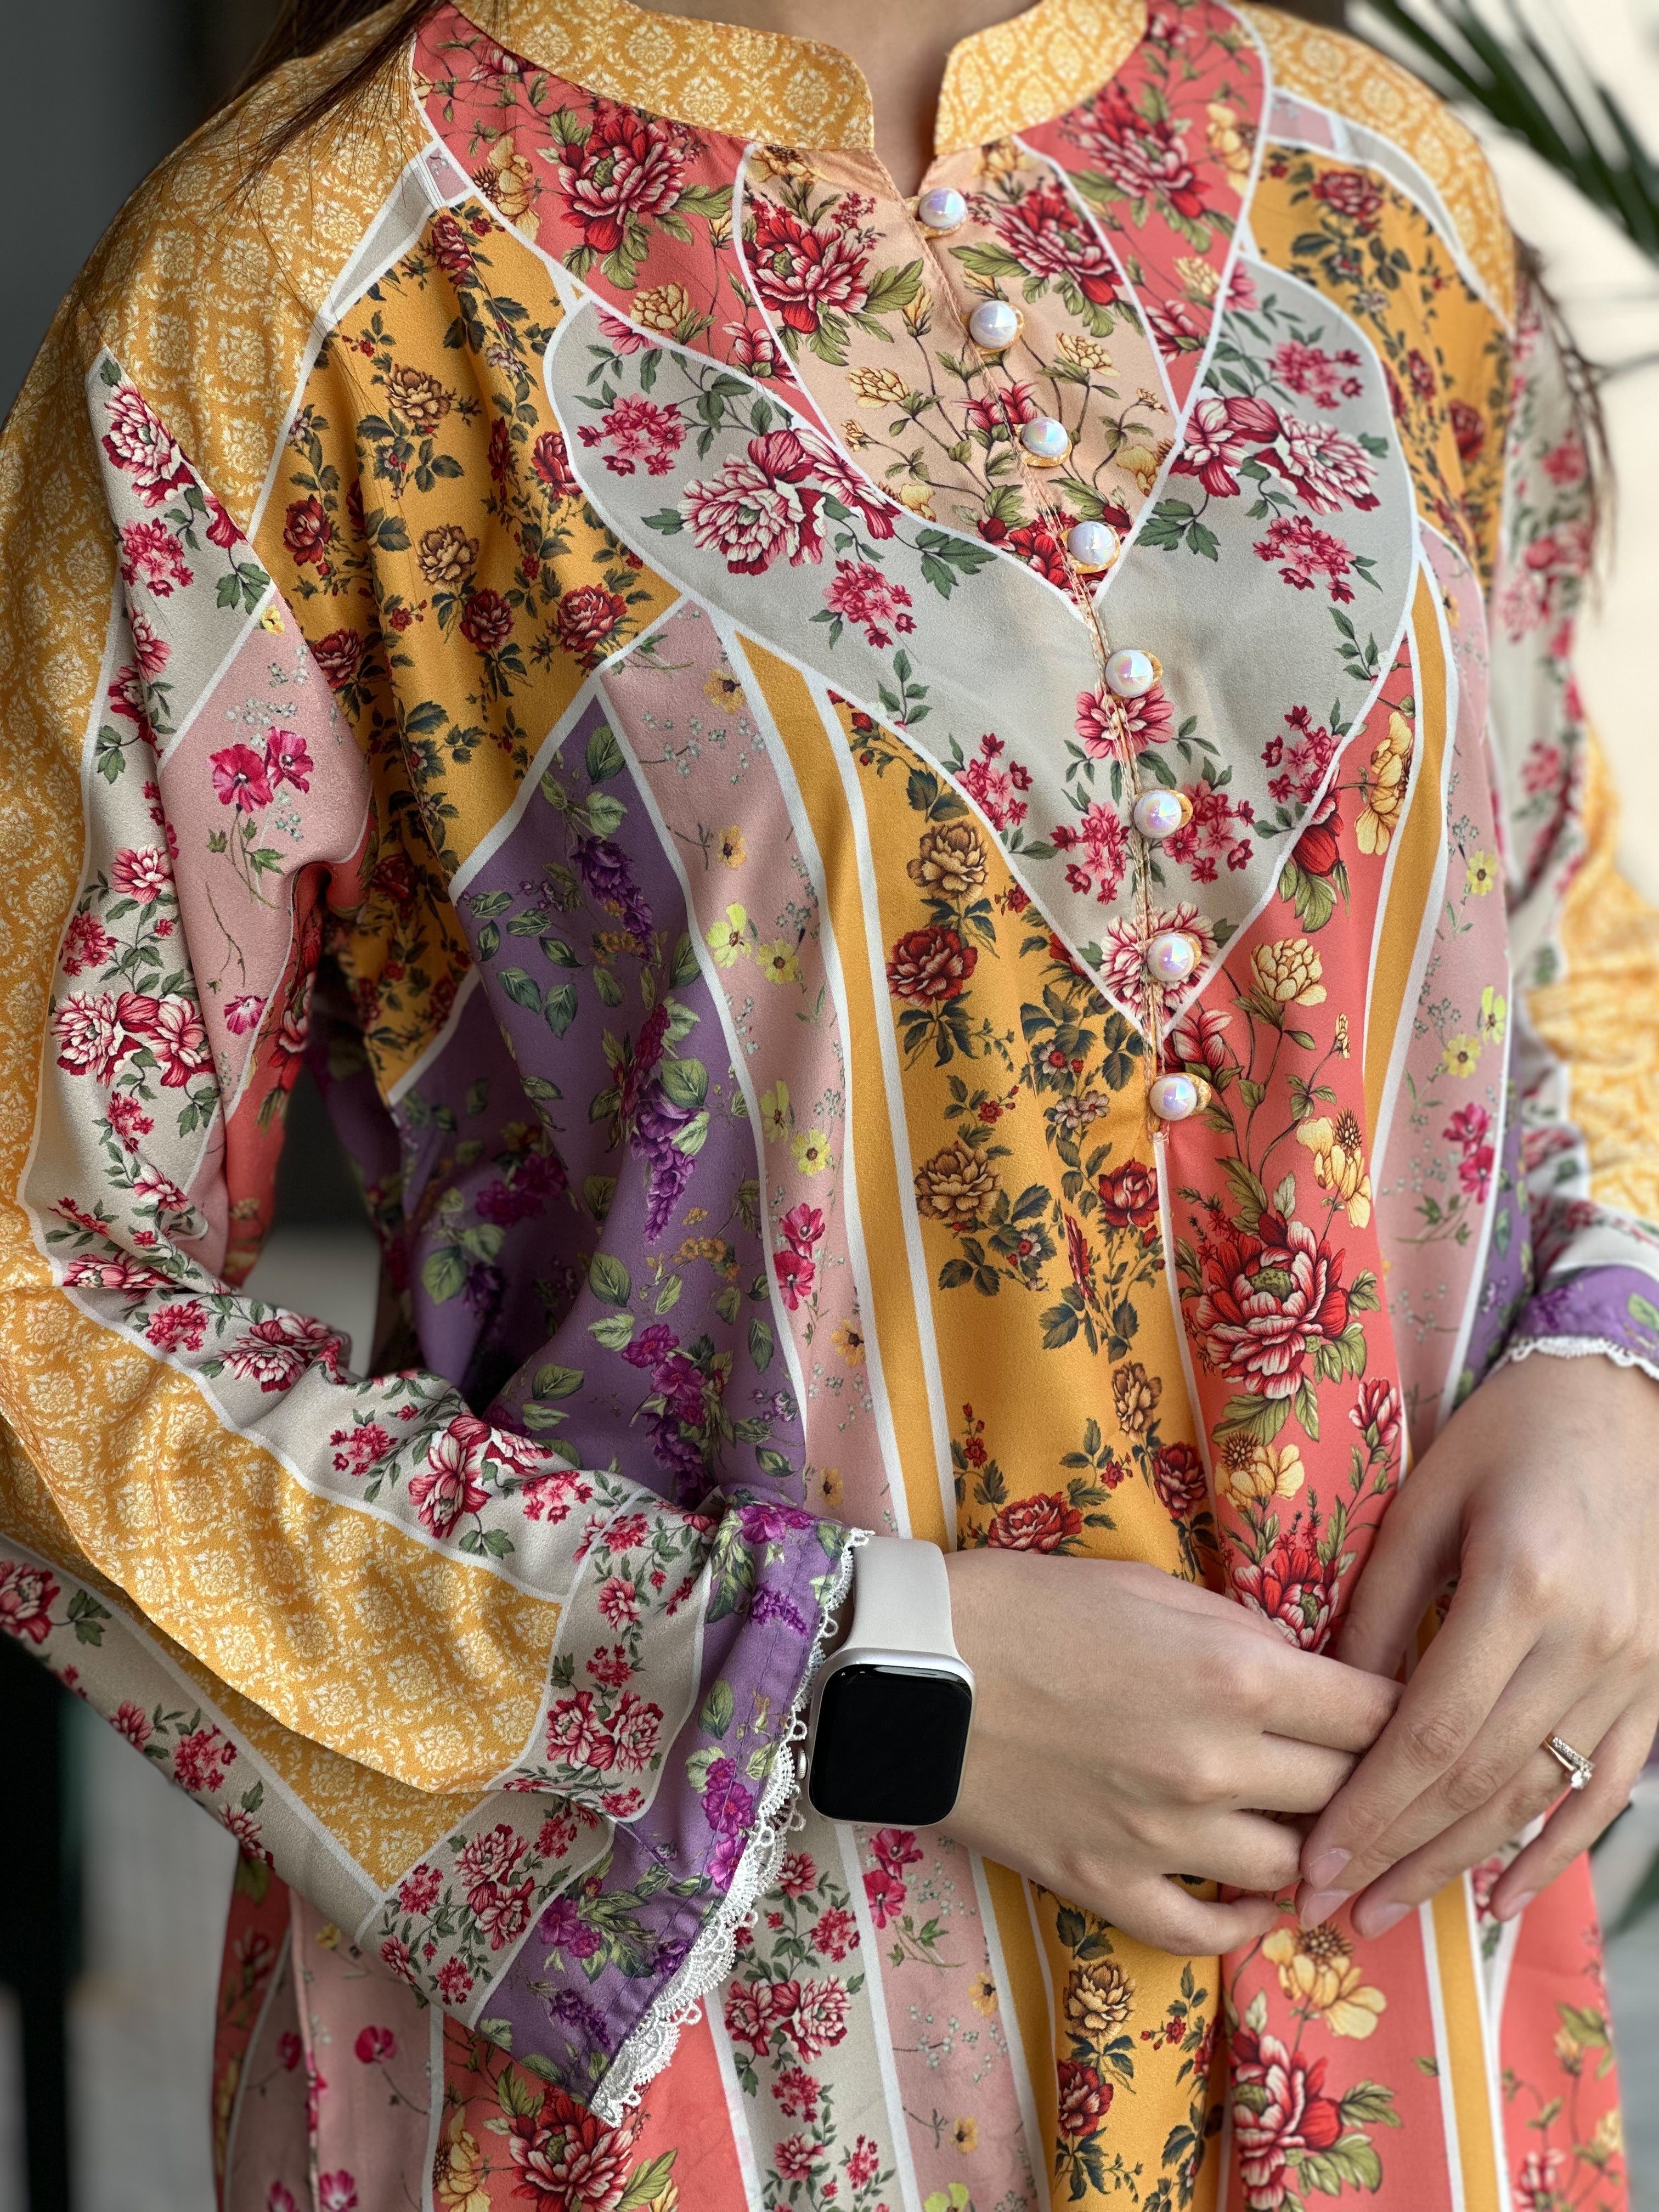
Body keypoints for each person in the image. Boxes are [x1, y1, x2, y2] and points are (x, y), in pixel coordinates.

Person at [1, 0, 1655, 2203]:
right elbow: (40, 1292)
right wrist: (854, 1683)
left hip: (1391, 2011)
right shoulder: (305, 290)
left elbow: (1549, 938)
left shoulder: (1371, 190)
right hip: (717, 2057)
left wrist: (1613, 1368)